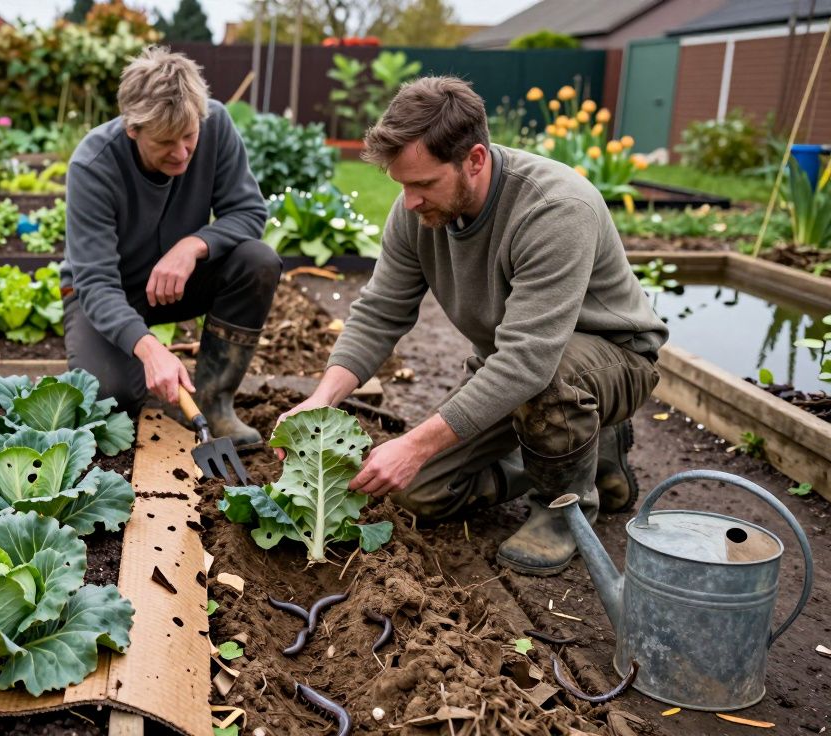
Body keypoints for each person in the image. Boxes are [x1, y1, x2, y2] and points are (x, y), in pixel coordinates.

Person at [279, 76, 669, 576]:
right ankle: (580, 451)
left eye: (423, 184)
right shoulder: (416, 212)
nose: (410, 201)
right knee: (418, 491)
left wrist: (415, 444)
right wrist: (321, 400)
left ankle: (564, 511)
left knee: (545, 382)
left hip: (609, 362)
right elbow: (380, 310)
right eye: (402, 184)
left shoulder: (553, 209)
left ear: (475, 160)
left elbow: (529, 361)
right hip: (514, 368)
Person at [61, 46, 281, 446]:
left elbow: (249, 211)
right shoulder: (93, 165)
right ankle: (132, 361)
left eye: (189, 136)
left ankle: (216, 405)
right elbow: (94, 282)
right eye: (165, 141)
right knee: (111, 397)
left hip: (179, 284)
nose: (181, 153)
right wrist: (149, 349)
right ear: (133, 129)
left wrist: (194, 245)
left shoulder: (216, 124)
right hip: (112, 293)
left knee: (257, 260)